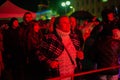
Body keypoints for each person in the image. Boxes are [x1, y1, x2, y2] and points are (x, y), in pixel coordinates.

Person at [36, 15, 84, 80]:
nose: (68, 24)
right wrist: (49, 62)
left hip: (73, 74)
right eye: (64, 23)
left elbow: (78, 51)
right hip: (56, 75)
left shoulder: (74, 37)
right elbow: (38, 53)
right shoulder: (49, 38)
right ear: (57, 25)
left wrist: (80, 54)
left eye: (68, 22)